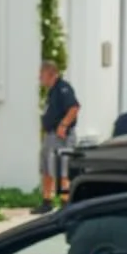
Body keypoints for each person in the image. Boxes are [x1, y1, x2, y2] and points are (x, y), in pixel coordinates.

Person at [39, 59, 79, 210]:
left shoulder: (63, 88)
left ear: (51, 74)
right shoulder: (52, 91)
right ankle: (47, 201)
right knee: (46, 167)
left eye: (42, 74)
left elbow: (74, 108)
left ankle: (65, 201)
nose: (40, 78)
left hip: (61, 136)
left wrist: (63, 125)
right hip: (50, 135)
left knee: (62, 168)